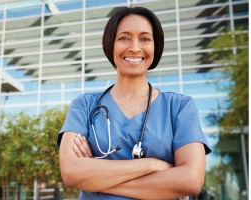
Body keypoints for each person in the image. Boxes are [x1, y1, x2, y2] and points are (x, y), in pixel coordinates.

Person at [57, 7, 211, 200]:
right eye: (124, 38)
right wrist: (152, 165)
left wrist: (96, 179)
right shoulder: (84, 105)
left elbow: (191, 181)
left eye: (145, 38)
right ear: (110, 44)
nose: (135, 48)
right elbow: (71, 173)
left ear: (156, 46)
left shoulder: (179, 106)